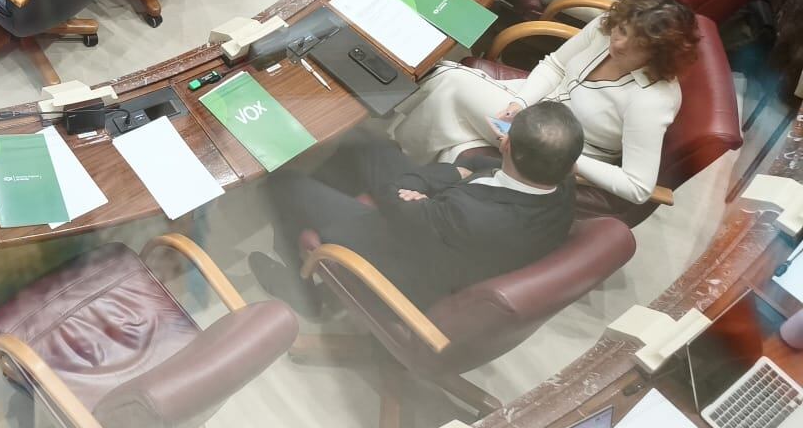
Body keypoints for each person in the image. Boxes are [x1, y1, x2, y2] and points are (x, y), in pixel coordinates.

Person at [249, 102, 583, 315]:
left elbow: (393, 196)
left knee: (284, 184)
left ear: (508, 146)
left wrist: (423, 189)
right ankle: (316, 212)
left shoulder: (467, 214)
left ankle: (306, 292)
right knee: (369, 145)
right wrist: (453, 174)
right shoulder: (562, 185)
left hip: (404, 259)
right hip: (440, 232)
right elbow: (481, 164)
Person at [393, 0, 696, 206]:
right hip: (537, 110)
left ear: (658, 53)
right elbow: (556, 66)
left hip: (566, 145)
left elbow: (638, 187)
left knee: (452, 82)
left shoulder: (653, 100)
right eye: (622, 30)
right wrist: (520, 104)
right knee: (455, 116)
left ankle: (401, 156)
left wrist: (560, 155)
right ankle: (414, 162)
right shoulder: (607, 27)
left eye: (636, 44)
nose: (618, 43)